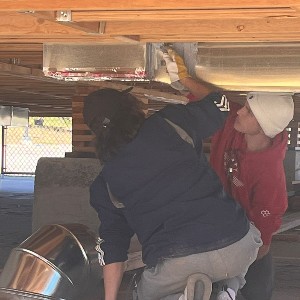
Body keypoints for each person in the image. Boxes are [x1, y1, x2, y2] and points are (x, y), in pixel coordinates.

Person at [83, 87, 262, 300]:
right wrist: (187, 81)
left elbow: (113, 247)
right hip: (238, 244)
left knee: (144, 294)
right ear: (130, 108)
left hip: (177, 263)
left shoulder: (106, 184)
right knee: (250, 237)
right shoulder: (172, 122)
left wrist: (110, 299)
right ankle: (228, 289)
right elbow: (221, 102)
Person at [162, 48, 294, 300]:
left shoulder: (270, 180)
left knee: (253, 293)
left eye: (248, 112)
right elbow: (215, 99)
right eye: (245, 106)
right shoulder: (238, 126)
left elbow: (262, 243)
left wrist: (229, 271)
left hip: (250, 252)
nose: (240, 112)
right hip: (215, 231)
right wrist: (182, 77)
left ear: (264, 127)